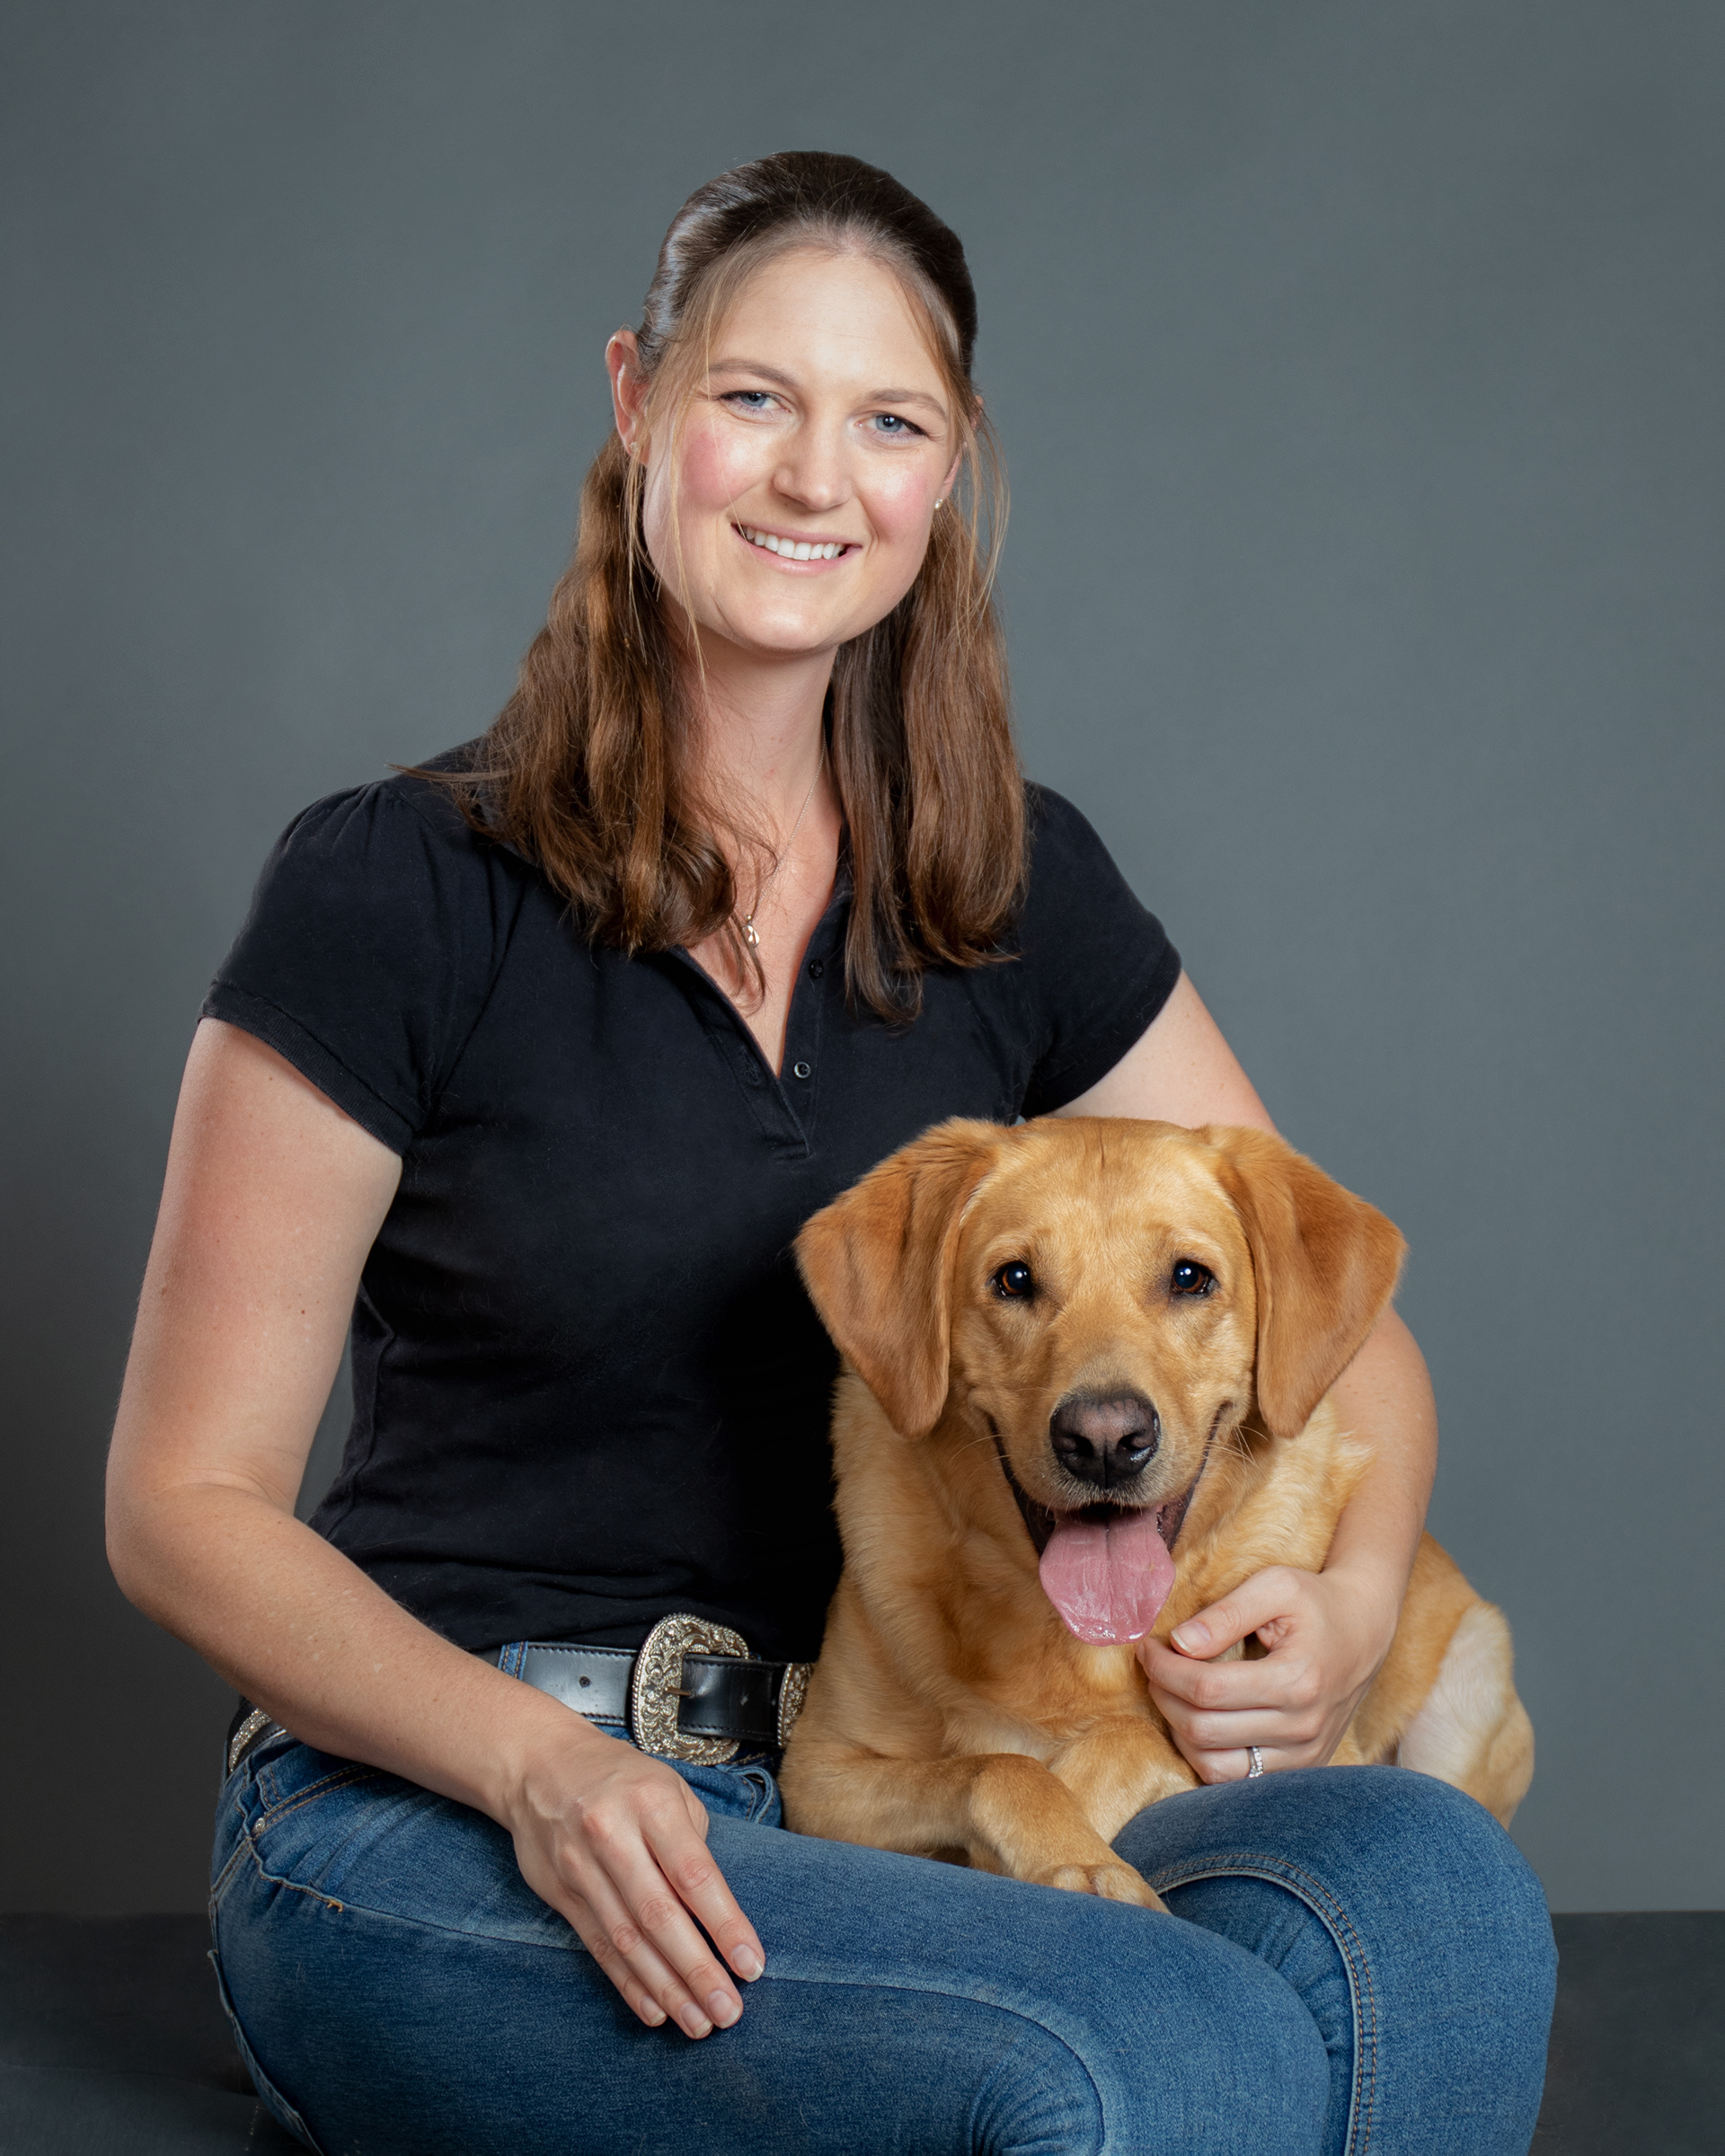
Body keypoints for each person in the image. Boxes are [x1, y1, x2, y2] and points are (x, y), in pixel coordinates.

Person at [106, 152, 1553, 2154]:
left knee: (1444, 1912)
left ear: (944, 478)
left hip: (863, 1785)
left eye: (888, 423)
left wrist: (1354, 1610)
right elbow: (181, 1503)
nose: (813, 479)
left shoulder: (1014, 889)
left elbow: (1330, 1318)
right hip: (441, 1811)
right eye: (753, 399)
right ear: (637, 404)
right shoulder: (396, 891)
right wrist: (538, 1769)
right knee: (1158, 2041)